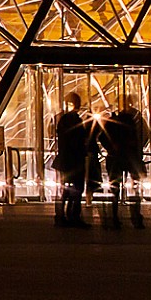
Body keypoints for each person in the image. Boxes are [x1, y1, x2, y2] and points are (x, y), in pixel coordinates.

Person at [102, 98, 149, 229]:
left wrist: (112, 147)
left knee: (116, 187)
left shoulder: (114, 121)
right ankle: (135, 217)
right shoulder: (134, 119)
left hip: (117, 158)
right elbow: (144, 135)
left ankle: (115, 216)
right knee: (134, 187)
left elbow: (102, 137)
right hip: (130, 158)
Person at [54, 94, 96, 228]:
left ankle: (62, 216)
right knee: (75, 190)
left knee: (66, 190)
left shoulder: (64, 119)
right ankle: (72, 216)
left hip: (66, 160)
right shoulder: (72, 119)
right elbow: (79, 139)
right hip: (73, 160)